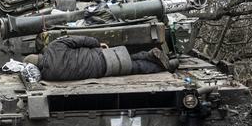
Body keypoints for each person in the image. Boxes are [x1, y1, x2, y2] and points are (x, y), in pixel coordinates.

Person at [24, 36, 171, 81]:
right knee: (129, 57)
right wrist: (97, 44)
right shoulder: (54, 46)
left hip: (101, 70)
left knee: (135, 67)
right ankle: (152, 55)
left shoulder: (49, 75)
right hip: (99, 54)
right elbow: (80, 40)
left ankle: (165, 65)